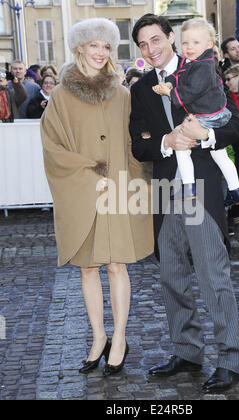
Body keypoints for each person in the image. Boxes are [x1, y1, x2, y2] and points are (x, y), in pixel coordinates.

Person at [130, 13, 239, 393]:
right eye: (143, 44)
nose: (151, 49)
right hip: (165, 191)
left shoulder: (203, 70)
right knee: (172, 276)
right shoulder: (142, 87)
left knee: (214, 277)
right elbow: (139, 144)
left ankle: (229, 360)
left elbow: (234, 126)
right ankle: (187, 351)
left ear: (171, 39)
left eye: (156, 39)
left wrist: (203, 138)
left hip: (201, 189)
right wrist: (165, 142)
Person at [41, 18, 153, 376]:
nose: (101, 53)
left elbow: (136, 142)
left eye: (107, 47)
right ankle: (98, 337)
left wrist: (143, 180)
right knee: (87, 268)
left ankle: (119, 338)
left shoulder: (122, 94)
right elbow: (52, 147)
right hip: (82, 192)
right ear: (79, 49)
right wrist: (85, 165)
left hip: (118, 191)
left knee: (116, 264)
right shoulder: (60, 96)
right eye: (94, 46)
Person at [151, 18, 239, 207]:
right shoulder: (196, 61)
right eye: (185, 42)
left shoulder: (203, 65)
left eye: (195, 42)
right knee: (220, 155)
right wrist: (170, 81)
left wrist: (170, 92)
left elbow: (191, 90)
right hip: (213, 116)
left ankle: (188, 187)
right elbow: (180, 73)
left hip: (209, 118)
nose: (189, 47)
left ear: (209, 44)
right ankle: (236, 190)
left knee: (182, 149)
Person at [223, 64, 239, 229]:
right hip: (233, 142)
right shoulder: (225, 96)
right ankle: (234, 214)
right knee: (234, 176)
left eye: (229, 79)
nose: (226, 83)